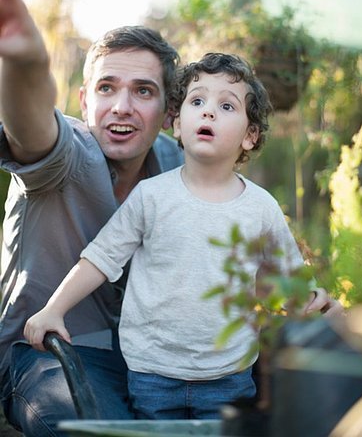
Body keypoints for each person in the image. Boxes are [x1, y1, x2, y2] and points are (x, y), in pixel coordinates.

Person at [24, 52, 343, 421]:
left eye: (226, 105)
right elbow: (100, 258)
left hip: (230, 377)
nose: (208, 112)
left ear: (250, 136)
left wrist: (315, 304)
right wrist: (54, 309)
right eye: (197, 101)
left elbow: (287, 282)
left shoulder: (261, 208)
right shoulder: (152, 197)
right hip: (151, 374)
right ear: (176, 124)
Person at [0, 0, 184, 436]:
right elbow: (31, 123)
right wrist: (25, 61)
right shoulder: (67, 154)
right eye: (107, 88)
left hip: (147, 357)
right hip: (44, 356)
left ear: (168, 113)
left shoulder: (176, 167)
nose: (121, 107)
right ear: (84, 101)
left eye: (143, 91)